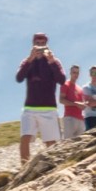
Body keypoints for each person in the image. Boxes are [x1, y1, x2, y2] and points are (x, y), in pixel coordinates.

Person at [15, 32, 66, 164]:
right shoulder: (27, 61)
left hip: (49, 108)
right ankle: (24, 169)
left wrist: (52, 62)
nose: (40, 46)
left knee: (51, 141)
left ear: (47, 45)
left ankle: (52, 167)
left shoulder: (54, 61)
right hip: (30, 107)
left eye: (43, 43)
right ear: (33, 45)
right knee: (25, 137)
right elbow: (19, 78)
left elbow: (62, 80)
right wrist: (30, 60)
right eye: (38, 43)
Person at [59, 64, 86, 139]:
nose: (76, 74)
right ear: (70, 73)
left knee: (80, 145)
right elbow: (61, 100)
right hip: (69, 118)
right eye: (74, 72)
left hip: (80, 120)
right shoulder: (65, 84)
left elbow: (82, 104)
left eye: (77, 73)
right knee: (67, 144)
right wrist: (75, 104)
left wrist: (84, 105)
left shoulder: (80, 89)